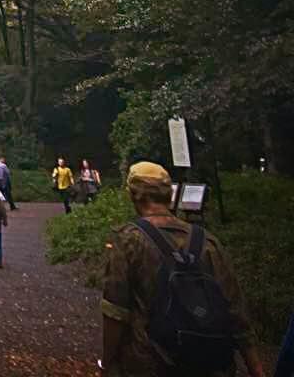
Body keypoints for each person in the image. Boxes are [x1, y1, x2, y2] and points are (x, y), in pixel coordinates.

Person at [100, 161, 262, 377]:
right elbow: (236, 310)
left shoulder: (128, 240)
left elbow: (116, 311)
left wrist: (107, 362)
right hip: (209, 363)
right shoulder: (207, 241)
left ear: (134, 195)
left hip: (148, 362)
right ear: (170, 195)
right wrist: (257, 370)